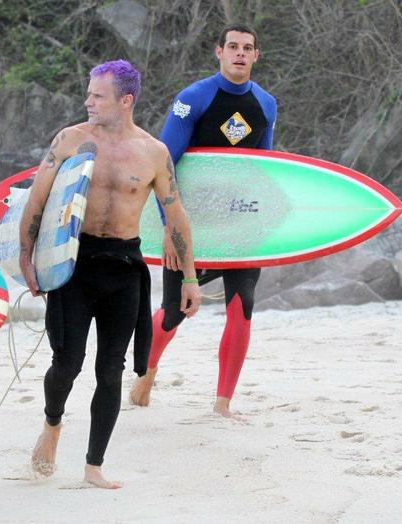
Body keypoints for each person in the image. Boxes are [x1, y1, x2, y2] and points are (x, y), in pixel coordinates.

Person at [19, 60, 201, 489]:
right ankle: (52, 424)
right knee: (67, 362)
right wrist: (29, 260)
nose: (88, 101)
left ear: (125, 100)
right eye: (88, 93)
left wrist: (190, 277)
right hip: (75, 265)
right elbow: (37, 202)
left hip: (123, 267)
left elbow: (175, 217)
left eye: (97, 95)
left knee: (111, 369)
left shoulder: (153, 152)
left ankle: (93, 465)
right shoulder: (70, 140)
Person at [130, 24, 277, 418]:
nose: (240, 53)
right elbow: (163, 166)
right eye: (233, 47)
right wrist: (168, 227)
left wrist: (265, 223)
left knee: (241, 307)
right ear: (219, 52)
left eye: (248, 48)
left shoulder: (266, 104)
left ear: (256, 55)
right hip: (190, 223)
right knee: (176, 310)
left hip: (240, 225)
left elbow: (260, 170)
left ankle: (223, 404)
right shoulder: (192, 98)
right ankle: (147, 371)